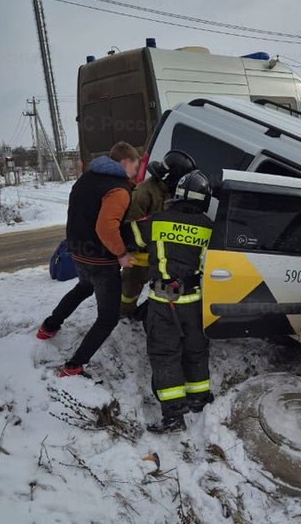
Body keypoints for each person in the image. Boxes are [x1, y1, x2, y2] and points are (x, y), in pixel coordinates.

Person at [36, 142, 140, 376]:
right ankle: (74, 366)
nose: (136, 171)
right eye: (136, 165)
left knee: (83, 287)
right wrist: (122, 254)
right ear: (125, 163)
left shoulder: (87, 179)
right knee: (108, 318)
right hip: (101, 260)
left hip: (77, 251)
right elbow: (106, 228)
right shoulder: (118, 190)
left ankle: (49, 326)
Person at [145, 170, 213, 434]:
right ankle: (199, 399)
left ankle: (173, 417)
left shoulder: (156, 221)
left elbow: (135, 240)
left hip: (163, 302)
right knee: (196, 350)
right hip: (194, 303)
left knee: (164, 355)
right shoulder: (209, 227)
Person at [120, 150, 197, 317]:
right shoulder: (143, 194)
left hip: (162, 254)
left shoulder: (172, 191)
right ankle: (124, 312)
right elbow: (128, 229)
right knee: (130, 286)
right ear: (171, 178)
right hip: (140, 254)